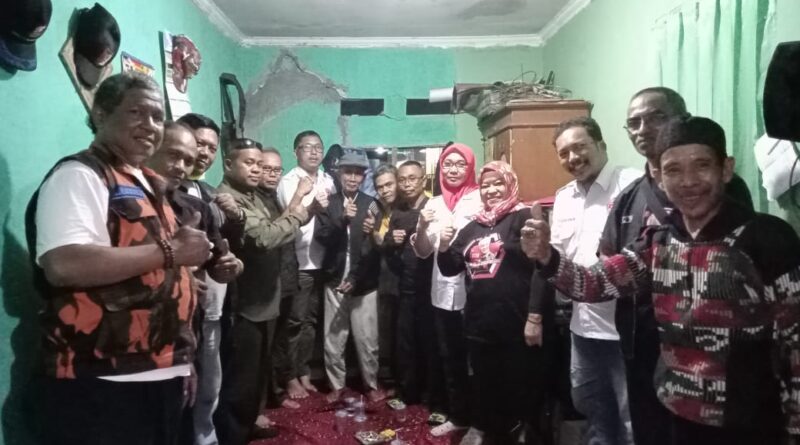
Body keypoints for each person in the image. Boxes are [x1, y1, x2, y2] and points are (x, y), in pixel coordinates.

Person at [523, 116, 800, 445]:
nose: (688, 181)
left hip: (749, 421)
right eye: (673, 170)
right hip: (675, 415)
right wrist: (547, 256)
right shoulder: (658, 241)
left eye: (701, 165)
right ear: (659, 178)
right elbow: (594, 284)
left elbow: (795, 345)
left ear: (726, 169)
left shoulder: (766, 240)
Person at [26, 72, 211, 445]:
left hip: (159, 371)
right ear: (100, 114)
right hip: (100, 379)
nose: (150, 125)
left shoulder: (148, 184)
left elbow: (150, 268)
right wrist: (171, 252)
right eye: (136, 112)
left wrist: (182, 358)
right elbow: (63, 264)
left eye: (157, 117)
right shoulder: (80, 175)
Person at [598, 87, 754, 445]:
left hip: (711, 358)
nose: (643, 129)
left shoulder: (725, 190)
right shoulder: (629, 197)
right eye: (634, 123)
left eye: (655, 117)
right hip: (642, 345)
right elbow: (607, 263)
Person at [528, 117, 639, 444]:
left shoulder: (632, 186)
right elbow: (557, 260)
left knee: (631, 419)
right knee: (592, 410)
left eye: (580, 147)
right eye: (564, 153)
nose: (573, 158)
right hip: (583, 329)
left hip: (625, 332)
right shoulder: (564, 197)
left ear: (601, 145)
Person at [437, 161, 548, 445]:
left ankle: (523, 432)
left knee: (520, 383)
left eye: (498, 183)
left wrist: (535, 316)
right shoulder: (472, 227)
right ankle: (482, 427)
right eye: (485, 185)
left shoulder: (523, 217)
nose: (492, 190)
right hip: (479, 323)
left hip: (517, 321)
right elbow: (449, 268)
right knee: (484, 382)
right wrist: (444, 245)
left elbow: (541, 268)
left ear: (510, 184)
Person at [214, 138, 309, 445]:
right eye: (249, 163)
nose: (256, 169)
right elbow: (264, 238)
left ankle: (247, 425)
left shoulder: (252, 197)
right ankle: (234, 435)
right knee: (240, 380)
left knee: (254, 375)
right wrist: (299, 214)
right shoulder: (228, 199)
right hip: (243, 304)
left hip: (262, 299)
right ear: (229, 164)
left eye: (259, 163)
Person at [175, 112, 242, 445]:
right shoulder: (162, 193)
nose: (203, 153)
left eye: (211, 147)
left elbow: (219, 251)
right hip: (176, 316)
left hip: (212, 308)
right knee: (180, 392)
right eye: (199, 143)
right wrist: (178, 270)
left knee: (209, 385)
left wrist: (231, 264)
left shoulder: (207, 192)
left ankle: (207, 438)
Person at [412, 143, 482, 436]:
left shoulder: (481, 199)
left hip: (477, 293)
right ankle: (459, 415)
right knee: (451, 357)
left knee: (478, 359)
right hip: (442, 293)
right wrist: (421, 225)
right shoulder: (434, 204)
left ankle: (483, 420)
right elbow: (422, 251)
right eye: (447, 165)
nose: (453, 170)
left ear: (470, 167)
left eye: (459, 164)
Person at [315, 152, 385, 402]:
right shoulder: (328, 203)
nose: (353, 178)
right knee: (334, 337)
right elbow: (321, 238)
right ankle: (336, 385)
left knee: (367, 338)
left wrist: (356, 277)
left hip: (364, 281)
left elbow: (373, 247)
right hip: (334, 278)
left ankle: (371, 383)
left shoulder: (372, 204)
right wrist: (342, 219)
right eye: (348, 172)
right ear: (339, 174)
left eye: (358, 173)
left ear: (363, 176)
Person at [276, 130, 336, 399]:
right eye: (307, 147)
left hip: (324, 261)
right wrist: (312, 203)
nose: (314, 152)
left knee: (311, 321)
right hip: (299, 262)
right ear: (296, 152)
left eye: (318, 147)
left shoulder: (328, 180)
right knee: (293, 322)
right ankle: (289, 376)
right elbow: (292, 217)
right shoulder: (289, 181)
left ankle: (303, 371)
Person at [383, 161, 435, 408]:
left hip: (430, 288)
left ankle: (431, 394)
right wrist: (390, 240)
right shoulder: (398, 212)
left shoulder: (434, 207)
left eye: (412, 178)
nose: (407, 184)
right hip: (405, 286)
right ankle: (407, 392)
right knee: (405, 343)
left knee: (429, 342)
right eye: (402, 179)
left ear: (423, 180)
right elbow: (389, 253)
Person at [362, 164, 401, 385]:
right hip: (386, 280)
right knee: (388, 330)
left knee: (405, 333)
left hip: (406, 281)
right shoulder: (378, 209)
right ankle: (393, 377)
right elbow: (379, 245)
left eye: (389, 184)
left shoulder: (408, 208)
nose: (385, 190)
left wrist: (378, 236)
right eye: (380, 187)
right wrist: (372, 233)